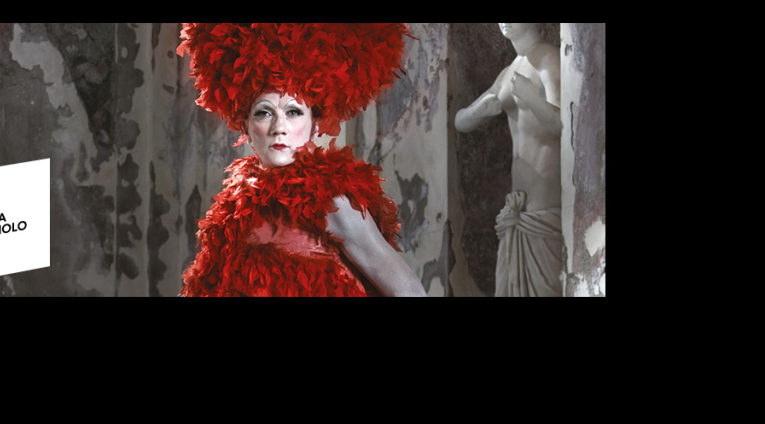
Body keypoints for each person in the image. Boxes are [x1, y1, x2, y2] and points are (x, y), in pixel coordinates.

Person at [177, 23, 427, 297]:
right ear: (246, 126)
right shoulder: (232, 211)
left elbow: (411, 293)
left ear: (315, 127)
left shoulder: (334, 203)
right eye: (264, 113)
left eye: (294, 112)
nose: (279, 127)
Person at [454, 23, 563, 296]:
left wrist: (531, 98)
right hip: (515, 212)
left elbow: (563, 125)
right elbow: (460, 122)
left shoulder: (548, 58)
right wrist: (478, 111)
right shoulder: (508, 73)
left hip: (544, 208)